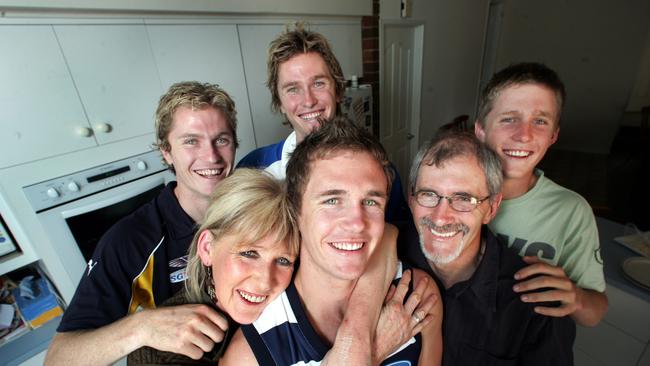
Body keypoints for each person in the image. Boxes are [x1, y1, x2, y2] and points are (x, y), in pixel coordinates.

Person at [46, 81, 239, 365]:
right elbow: (58, 359)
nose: (211, 156)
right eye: (191, 141)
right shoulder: (129, 241)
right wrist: (141, 328)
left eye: (221, 139)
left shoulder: (249, 211)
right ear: (166, 151)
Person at [223, 117, 442, 365]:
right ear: (296, 211)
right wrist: (368, 350)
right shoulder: (250, 354)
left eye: (371, 202)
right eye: (332, 200)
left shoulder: (417, 297)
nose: (357, 223)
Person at [399, 131, 575, 365]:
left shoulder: (536, 309)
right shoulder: (386, 251)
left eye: (464, 198)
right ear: (411, 200)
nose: (441, 218)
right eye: (429, 194)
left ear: (491, 208)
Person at [474, 62, 608, 326]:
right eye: (509, 118)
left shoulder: (571, 211)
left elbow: (595, 313)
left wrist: (577, 297)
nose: (524, 135)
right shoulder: (450, 194)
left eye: (540, 121)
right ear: (480, 130)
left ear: (553, 135)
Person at [236, 22, 410, 222]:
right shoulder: (254, 169)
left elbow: (402, 240)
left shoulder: (378, 168)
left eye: (318, 83)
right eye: (293, 89)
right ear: (280, 103)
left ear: (338, 90)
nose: (309, 100)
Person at [128, 168, 300, 365]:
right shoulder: (164, 349)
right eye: (249, 253)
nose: (265, 281)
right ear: (207, 248)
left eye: (283, 260)